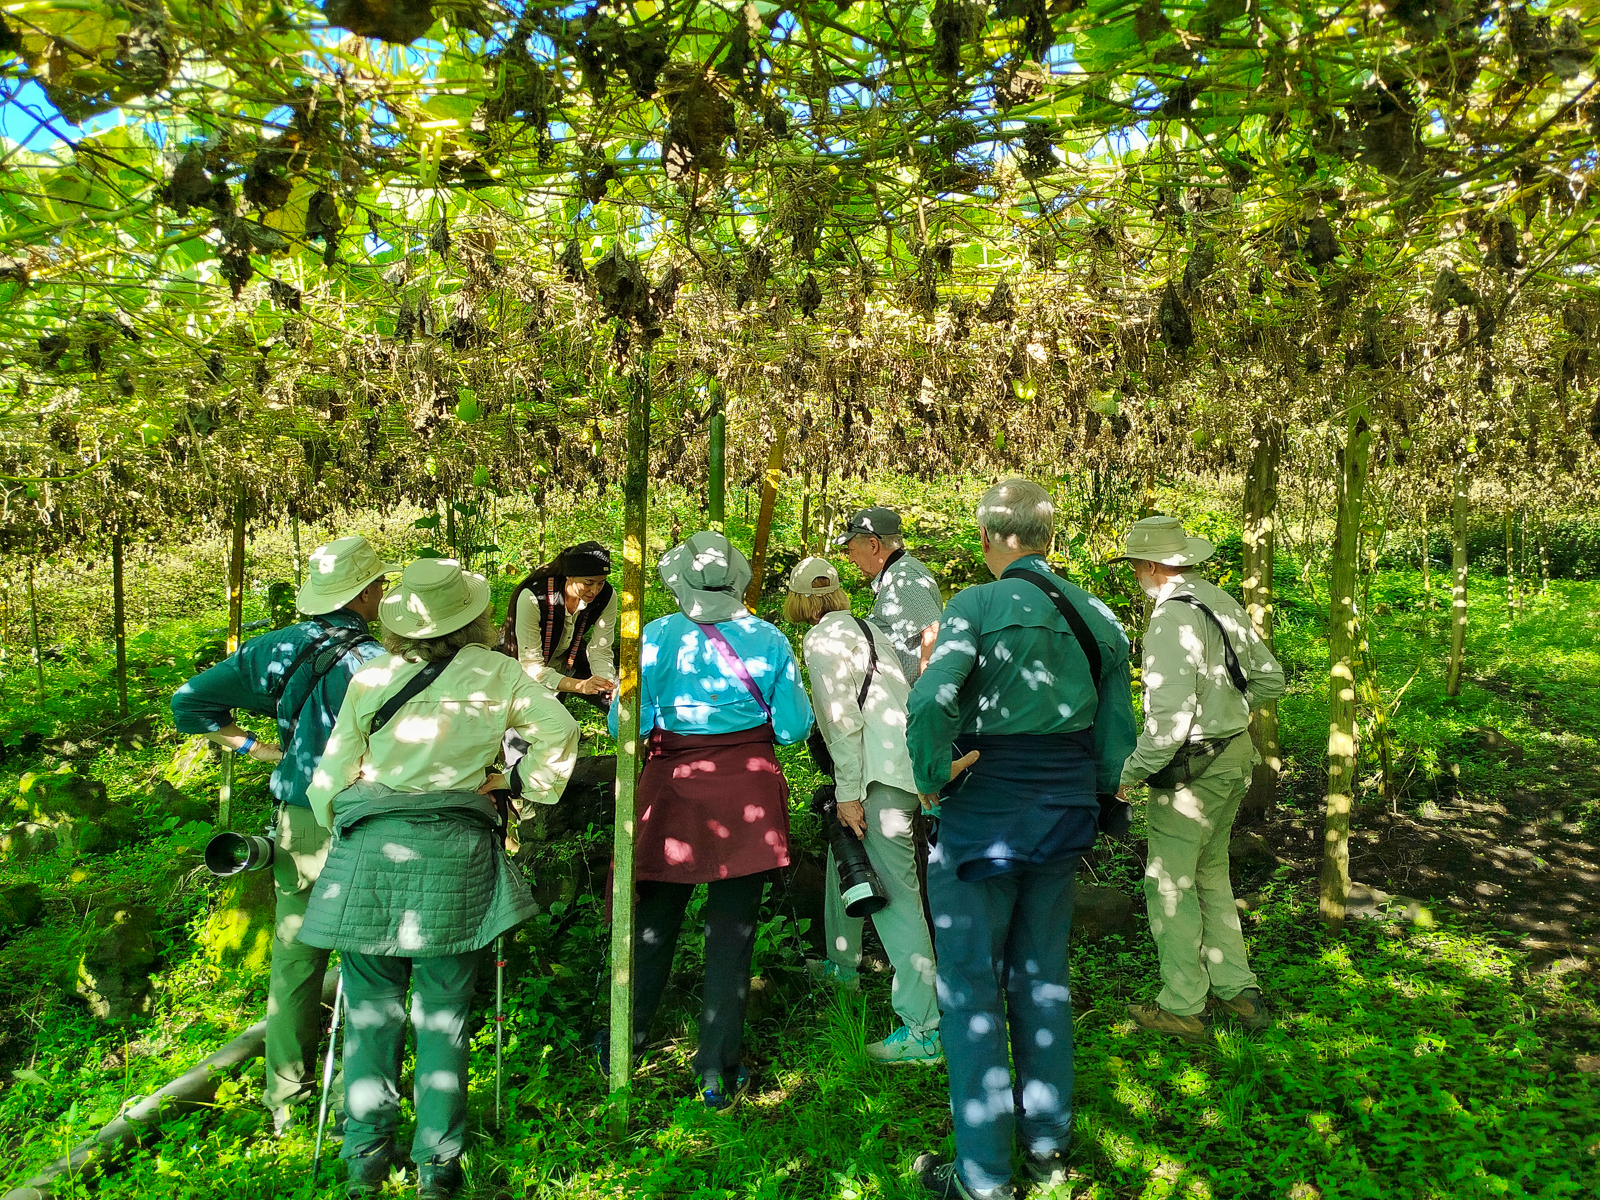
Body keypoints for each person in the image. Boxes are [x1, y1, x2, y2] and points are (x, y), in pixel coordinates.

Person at [300, 558, 579, 1199]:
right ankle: (438, 1165)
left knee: (369, 1013)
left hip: (373, 853)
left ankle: (365, 1159)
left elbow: (333, 770)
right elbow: (558, 732)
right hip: (456, 854)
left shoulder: (372, 673)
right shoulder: (500, 672)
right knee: (444, 1012)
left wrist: (344, 817)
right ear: (472, 616)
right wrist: (514, 782)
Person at [906, 478, 1137, 1200]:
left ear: (985, 540)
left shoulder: (973, 605)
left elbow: (928, 699)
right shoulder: (1096, 613)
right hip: (1065, 813)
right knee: (1042, 979)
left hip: (983, 819)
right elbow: (1116, 734)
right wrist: (1094, 794)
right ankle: (1047, 1150)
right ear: (1048, 540)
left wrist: (933, 774)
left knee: (970, 987)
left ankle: (980, 1177)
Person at [170, 535, 394, 1136]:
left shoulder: (275, 649)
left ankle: (285, 1100)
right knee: (370, 957)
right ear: (367, 592)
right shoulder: (381, 664)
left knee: (296, 954)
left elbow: (188, 703)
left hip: (297, 819)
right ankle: (359, 1100)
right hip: (362, 816)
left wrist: (261, 748)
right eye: (379, 586)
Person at [605, 531, 812, 1110]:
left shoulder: (655, 637)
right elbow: (794, 727)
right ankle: (716, 1069)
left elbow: (626, 724)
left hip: (672, 788)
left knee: (653, 922)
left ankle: (628, 1037)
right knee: (732, 935)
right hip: (747, 787)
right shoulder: (769, 639)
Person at [1112, 516, 1287, 1042]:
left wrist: (1128, 775)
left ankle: (1184, 1004)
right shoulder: (1219, 599)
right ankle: (1237, 990)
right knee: (1212, 873)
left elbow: (1167, 725)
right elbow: (1271, 679)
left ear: (1148, 565)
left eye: (1135, 566)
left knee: (1168, 884)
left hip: (1194, 772)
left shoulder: (1169, 620)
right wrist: (1229, 715)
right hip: (1236, 757)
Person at [783, 556, 945, 1065]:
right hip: (902, 767)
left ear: (801, 601)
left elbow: (841, 721)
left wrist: (848, 791)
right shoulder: (866, 627)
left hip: (876, 777)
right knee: (845, 858)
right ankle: (842, 963)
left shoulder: (821, 640)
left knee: (897, 896)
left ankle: (925, 1029)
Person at [499, 540, 617, 710]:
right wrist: (581, 686)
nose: (595, 590)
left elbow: (601, 649)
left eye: (601, 582)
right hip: (521, 664)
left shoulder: (607, 596)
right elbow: (531, 667)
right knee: (523, 731)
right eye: (589, 582)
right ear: (569, 575)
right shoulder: (534, 597)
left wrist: (606, 683)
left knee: (617, 703)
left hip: (566, 659)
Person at [837, 506, 944, 682]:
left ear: (873, 545)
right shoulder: (902, 571)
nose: (851, 560)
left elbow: (933, 633)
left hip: (911, 704)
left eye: (851, 550)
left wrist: (926, 695)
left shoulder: (901, 576)